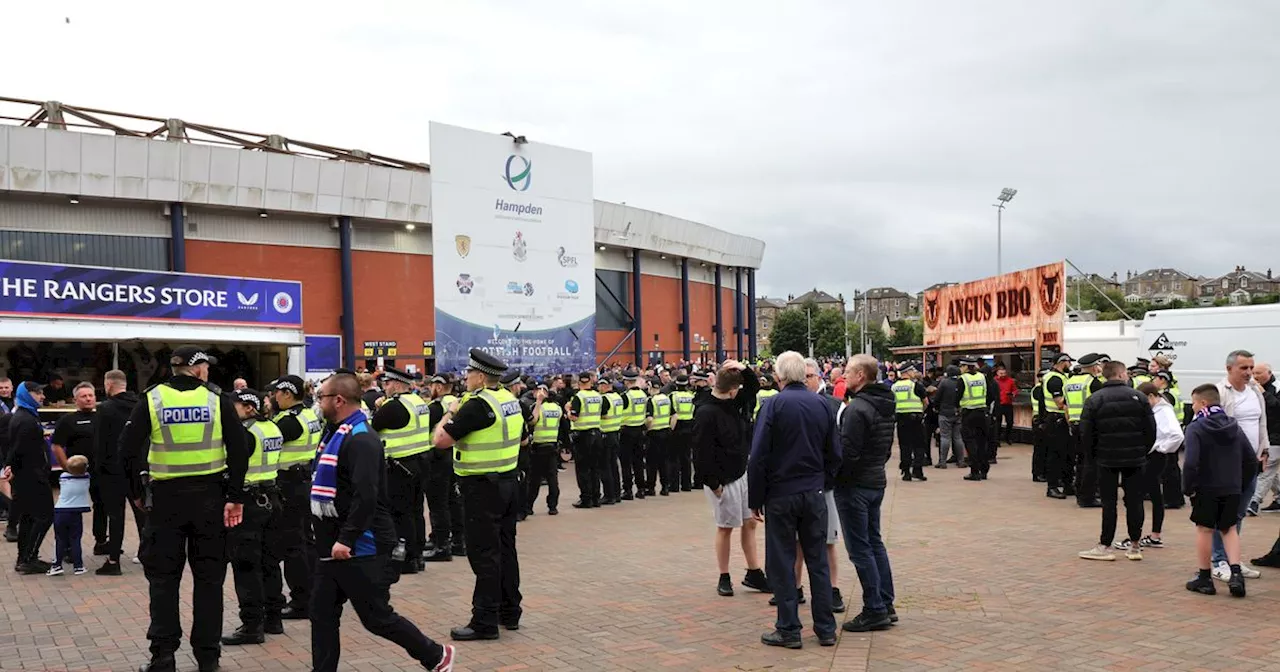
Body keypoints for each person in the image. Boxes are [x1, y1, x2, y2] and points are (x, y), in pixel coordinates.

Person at [309, 371, 455, 672]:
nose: (317, 402)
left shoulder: (361, 438)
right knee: (322, 614)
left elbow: (366, 497)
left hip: (361, 545)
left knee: (377, 618)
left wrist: (346, 539)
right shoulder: (336, 432)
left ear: (338, 400)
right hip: (332, 544)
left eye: (321, 397)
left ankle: (436, 654)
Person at [120, 346, 250, 672]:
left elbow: (125, 449)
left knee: (163, 582)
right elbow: (239, 449)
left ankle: (163, 656)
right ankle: (208, 657)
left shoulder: (153, 398)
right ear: (198, 368)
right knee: (209, 582)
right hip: (210, 500)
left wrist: (136, 492)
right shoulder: (215, 399)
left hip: (165, 502)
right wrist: (235, 495)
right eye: (206, 365)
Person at [747, 351, 839, 649]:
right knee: (818, 560)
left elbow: (758, 456)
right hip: (813, 492)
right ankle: (825, 628)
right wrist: (823, 483)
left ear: (780, 377)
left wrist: (755, 498)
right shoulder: (823, 405)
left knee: (783, 561)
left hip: (781, 494)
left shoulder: (773, 405)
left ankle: (789, 628)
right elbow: (835, 453)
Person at [432, 349, 524, 641]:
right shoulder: (509, 399)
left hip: (482, 489)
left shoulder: (475, 406)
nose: (465, 379)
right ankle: (509, 611)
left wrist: (450, 412)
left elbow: (440, 440)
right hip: (508, 482)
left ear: (481, 377)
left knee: (484, 555)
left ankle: (484, 619)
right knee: (505, 550)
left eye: (469, 374)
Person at [832, 354, 898, 632]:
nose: (844, 376)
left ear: (861, 376)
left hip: (856, 485)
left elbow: (847, 453)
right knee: (874, 542)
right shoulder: (884, 404)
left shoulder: (857, 409)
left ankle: (874, 608)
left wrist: (836, 478)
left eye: (848, 371)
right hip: (874, 480)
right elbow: (884, 449)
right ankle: (885, 601)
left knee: (860, 549)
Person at [694, 360, 767, 597]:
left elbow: (753, 387)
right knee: (725, 527)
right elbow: (701, 452)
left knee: (750, 523)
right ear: (733, 389)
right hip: (723, 479)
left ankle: (754, 572)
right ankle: (723, 575)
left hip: (742, 471)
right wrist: (713, 483)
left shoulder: (734, 401)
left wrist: (743, 369)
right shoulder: (706, 412)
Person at [222, 389, 286, 646]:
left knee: (246, 566)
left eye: (234, 405)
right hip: (272, 497)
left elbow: (233, 467)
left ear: (249, 407)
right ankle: (273, 618)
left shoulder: (245, 433)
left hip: (248, 504)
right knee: (270, 563)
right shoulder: (271, 427)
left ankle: (251, 625)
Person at [1183, 383, 1258, 598]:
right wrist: (1240, 484)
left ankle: (1205, 577)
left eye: (1195, 403)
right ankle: (1236, 574)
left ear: (1203, 402)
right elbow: (1250, 459)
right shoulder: (1234, 425)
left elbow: (1190, 463)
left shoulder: (1196, 428)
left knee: (1205, 529)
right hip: (1232, 487)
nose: (1194, 408)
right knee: (1230, 528)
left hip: (1206, 486)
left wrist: (1188, 487)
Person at [1077, 361, 1156, 562]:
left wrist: (1093, 455)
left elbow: (1086, 432)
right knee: (1134, 501)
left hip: (1106, 458)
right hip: (1135, 458)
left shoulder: (1095, 399)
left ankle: (1105, 545)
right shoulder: (1139, 398)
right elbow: (1151, 430)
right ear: (1121, 375)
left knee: (1108, 502)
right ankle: (1135, 545)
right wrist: (1142, 451)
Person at [1207, 350, 1268, 581]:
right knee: (1222, 512)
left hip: (1251, 462)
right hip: (1226, 464)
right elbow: (1208, 427)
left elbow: (1261, 423)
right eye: (1244, 368)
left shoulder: (1255, 392)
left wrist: (1264, 450)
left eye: (1251, 368)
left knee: (1239, 513)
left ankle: (1232, 559)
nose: (1249, 373)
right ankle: (1218, 560)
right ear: (1229, 368)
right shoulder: (1220, 392)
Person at [370, 366, 432, 574]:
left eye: (386, 384)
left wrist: (378, 408)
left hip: (399, 466)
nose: (384, 388)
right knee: (416, 511)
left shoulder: (393, 406)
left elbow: (372, 428)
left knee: (400, 512)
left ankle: (404, 557)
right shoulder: (418, 403)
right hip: (420, 462)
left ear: (396, 385)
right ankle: (417, 555)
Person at [268, 375, 321, 618]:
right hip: (304, 480)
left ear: (288, 394)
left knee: (292, 545)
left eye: (277, 393)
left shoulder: (288, 422)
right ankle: (311, 594)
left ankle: (301, 600)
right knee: (305, 541)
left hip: (288, 484)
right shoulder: (308, 414)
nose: (273, 397)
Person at [1116, 382, 1184, 551]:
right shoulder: (1157, 409)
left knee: (1137, 494)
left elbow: (1177, 435)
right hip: (1154, 456)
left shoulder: (1164, 411)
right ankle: (1155, 535)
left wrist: (1161, 449)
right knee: (1154, 494)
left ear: (1152, 397)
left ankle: (1135, 537)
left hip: (1154, 457)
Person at [92, 369, 142, 575]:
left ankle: (114, 561)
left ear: (109, 385)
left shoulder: (106, 408)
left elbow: (100, 443)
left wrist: (98, 469)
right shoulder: (139, 404)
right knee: (142, 513)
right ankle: (147, 553)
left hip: (112, 469)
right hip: (137, 467)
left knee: (116, 515)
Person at [5, 381, 53, 574]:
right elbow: (18, 449)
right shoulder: (25, 420)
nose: (42, 396)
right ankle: (29, 558)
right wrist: (12, 467)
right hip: (32, 477)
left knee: (28, 518)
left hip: (28, 476)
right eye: (38, 393)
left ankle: (24, 557)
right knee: (44, 516)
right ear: (27, 394)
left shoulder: (25, 416)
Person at [423, 375, 465, 562]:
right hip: (453, 455)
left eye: (433, 385)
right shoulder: (458, 402)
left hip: (436, 456)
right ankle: (457, 541)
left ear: (439, 387)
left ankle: (441, 545)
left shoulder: (436, 407)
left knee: (437, 503)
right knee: (452, 501)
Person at [1066, 353, 1107, 507]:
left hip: (1074, 424)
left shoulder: (1069, 382)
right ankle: (1088, 496)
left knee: (1080, 461)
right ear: (1093, 366)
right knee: (1091, 462)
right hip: (1090, 425)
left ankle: (1080, 492)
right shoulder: (1093, 382)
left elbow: (1065, 405)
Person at [47, 454, 91, 576]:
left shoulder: (63, 477)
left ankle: (57, 565)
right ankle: (78, 566)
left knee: (60, 539)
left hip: (61, 512)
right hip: (76, 513)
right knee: (75, 539)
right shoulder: (86, 477)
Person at [568, 372, 605, 509]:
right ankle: (596, 497)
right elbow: (603, 414)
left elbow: (574, 417)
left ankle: (586, 498)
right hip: (597, 434)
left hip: (583, 436)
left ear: (579, 383)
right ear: (591, 382)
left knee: (583, 469)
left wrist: (567, 411)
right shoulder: (598, 396)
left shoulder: (579, 397)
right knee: (595, 468)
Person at [1248, 363, 1280, 515]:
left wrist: (1263, 393)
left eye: (1259, 373)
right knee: (1271, 471)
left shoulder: (1277, 388)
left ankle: (1254, 501)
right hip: (1263, 433)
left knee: (1266, 468)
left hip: (1276, 435)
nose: (1255, 376)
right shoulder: (1252, 387)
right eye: (1254, 373)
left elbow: (1276, 406)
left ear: (1269, 372)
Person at [527, 384, 562, 515]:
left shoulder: (536, 407)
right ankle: (553, 506)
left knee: (534, 479)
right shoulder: (557, 408)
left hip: (538, 447)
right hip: (552, 446)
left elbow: (531, 423)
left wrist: (538, 402)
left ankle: (528, 506)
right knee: (552, 478)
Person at [1042, 354, 1074, 499]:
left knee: (1067, 454)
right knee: (1055, 454)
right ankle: (1052, 487)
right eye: (1068, 361)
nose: (1070, 364)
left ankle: (1068, 485)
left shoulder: (1062, 377)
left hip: (1062, 419)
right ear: (1062, 362)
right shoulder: (1054, 379)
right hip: (1056, 419)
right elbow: (1059, 402)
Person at [891, 364, 928, 482]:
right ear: (907, 372)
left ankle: (906, 472)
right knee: (919, 445)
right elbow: (926, 401)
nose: (914, 372)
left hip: (901, 419)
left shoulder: (894, 386)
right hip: (916, 419)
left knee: (905, 446)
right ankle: (918, 470)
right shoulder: (915, 385)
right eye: (912, 370)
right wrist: (921, 411)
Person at [618, 371, 648, 500]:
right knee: (638, 461)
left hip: (626, 431)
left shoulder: (625, 396)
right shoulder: (643, 394)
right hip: (640, 430)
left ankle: (628, 490)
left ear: (626, 381)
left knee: (626, 462)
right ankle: (641, 489)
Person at [958, 358, 990, 481]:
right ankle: (984, 470)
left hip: (969, 413)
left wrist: (957, 408)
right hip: (982, 412)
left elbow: (957, 397)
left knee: (970, 442)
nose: (960, 368)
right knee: (982, 442)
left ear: (966, 367)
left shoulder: (963, 379)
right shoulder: (982, 377)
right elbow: (989, 393)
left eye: (962, 366)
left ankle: (975, 471)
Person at [597, 377, 624, 505]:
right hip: (615, 432)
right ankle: (616, 493)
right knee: (613, 465)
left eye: (601, 385)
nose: (599, 387)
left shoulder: (605, 399)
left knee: (605, 466)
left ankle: (609, 495)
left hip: (606, 434)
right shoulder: (618, 397)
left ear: (605, 386)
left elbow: (603, 414)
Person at [645, 381, 675, 496]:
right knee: (664, 461)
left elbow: (649, 419)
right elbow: (674, 415)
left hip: (654, 434)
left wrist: (647, 429)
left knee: (652, 463)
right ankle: (665, 487)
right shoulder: (666, 399)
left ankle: (651, 488)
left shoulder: (651, 400)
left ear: (651, 387)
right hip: (665, 432)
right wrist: (670, 428)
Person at [934, 365, 964, 469]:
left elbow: (937, 397)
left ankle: (942, 462)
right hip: (958, 412)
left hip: (945, 413)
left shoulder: (944, 383)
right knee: (958, 437)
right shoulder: (961, 382)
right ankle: (961, 461)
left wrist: (936, 407)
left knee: (945, 437)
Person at [671, 375, 697, 492]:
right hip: (689, 427)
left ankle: (675, 485)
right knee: (686, 457)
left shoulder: (673, 396)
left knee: (675, 457)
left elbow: (672, 413)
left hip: (677, 428)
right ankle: (686, 485)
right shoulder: (691, 396)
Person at [1030, 368, 1048, 483]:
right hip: (1038, 420)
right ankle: (1038, 473)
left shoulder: (1041, 388)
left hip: (1041, 419)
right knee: (1040, 448)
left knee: (1044, 448)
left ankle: (1042, 472)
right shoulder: (1038, 389)